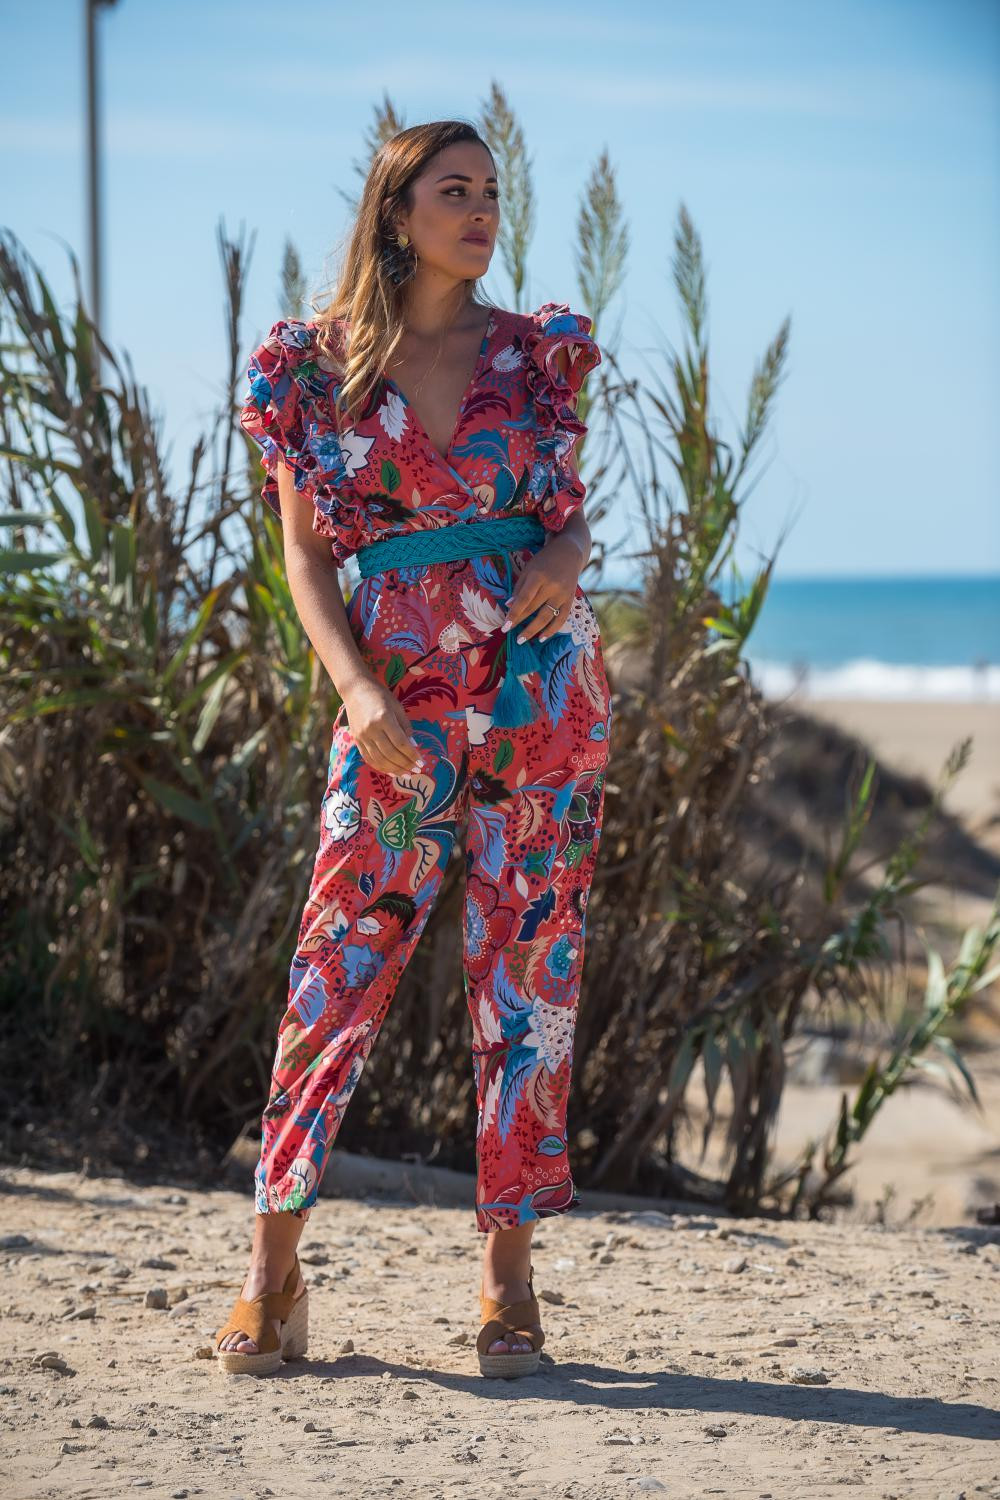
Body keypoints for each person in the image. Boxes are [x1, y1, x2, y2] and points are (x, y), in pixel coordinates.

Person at [214, 119, 612, 1379]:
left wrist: (563, 556)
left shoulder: (536, 356)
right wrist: (354, 688)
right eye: (455, 192)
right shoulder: (308, 369)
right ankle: (272, 1268)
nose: (482, 210)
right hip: (394, 704)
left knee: (527, 977)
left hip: (544, 699)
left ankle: (506, 1277)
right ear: (396, 213)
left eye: (493, 191)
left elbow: (565, 519)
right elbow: (302, 558)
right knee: (337, 968)